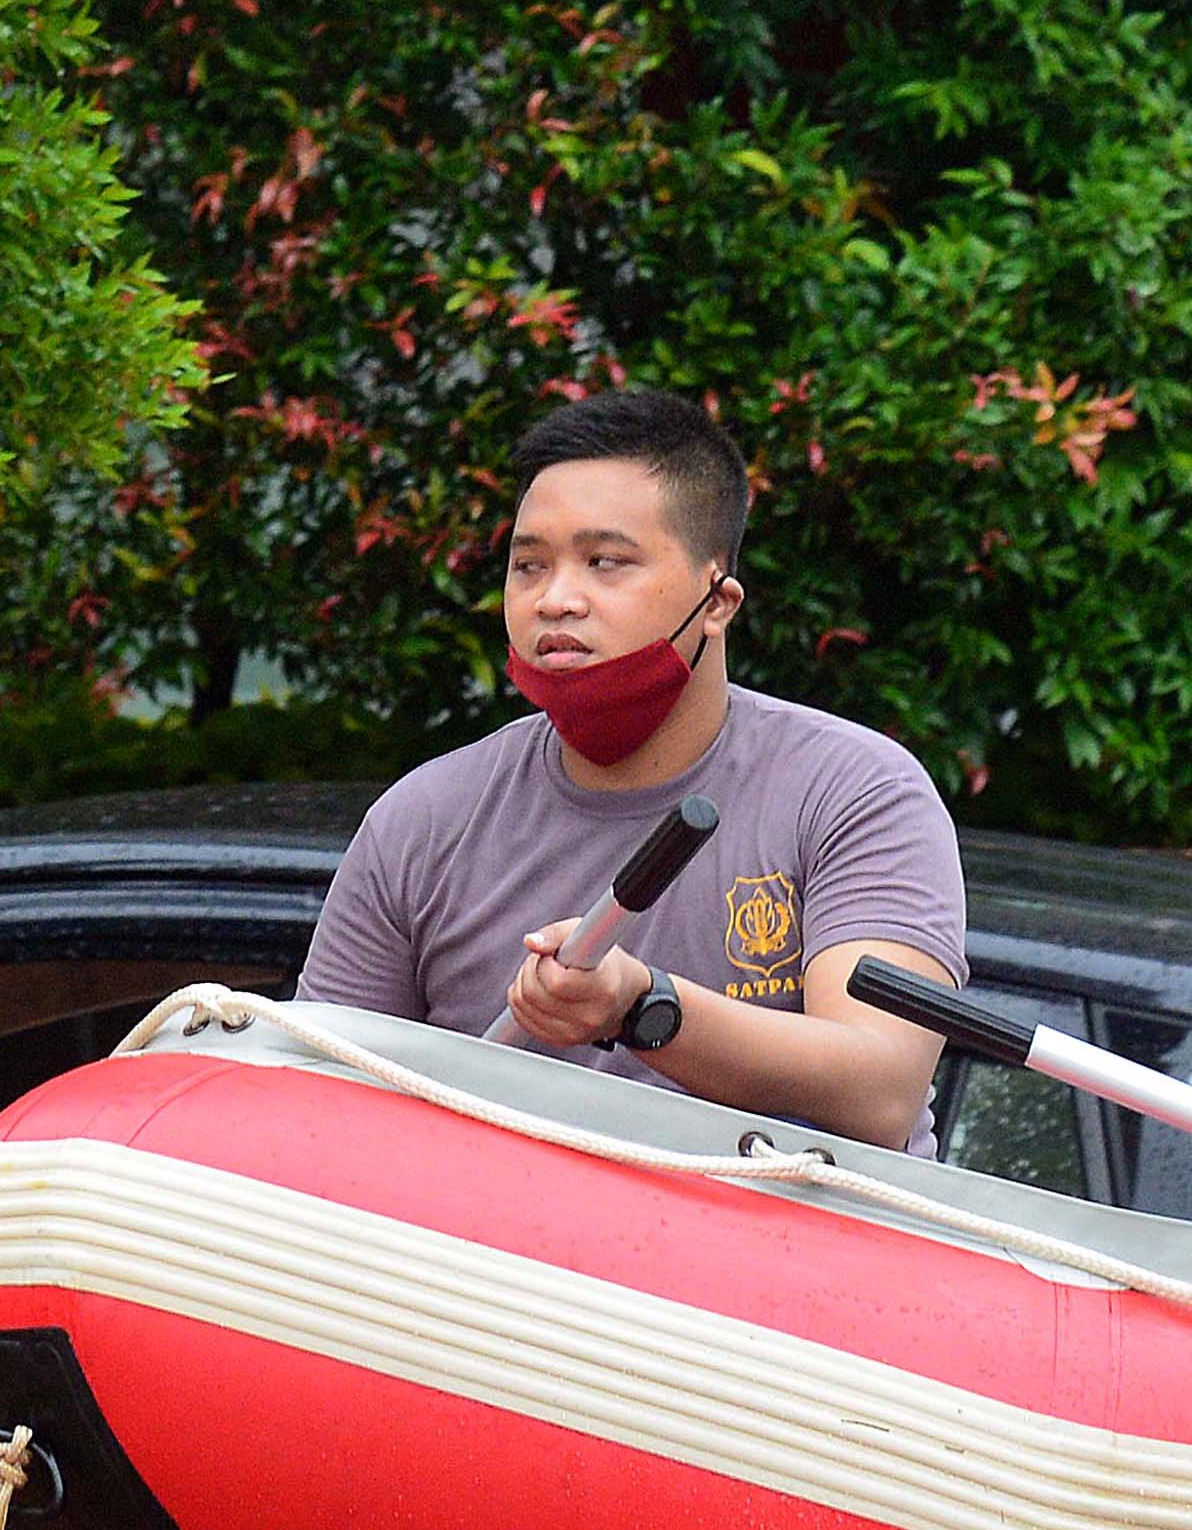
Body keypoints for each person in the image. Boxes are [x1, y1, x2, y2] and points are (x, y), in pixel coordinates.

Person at [298, 387, 965, 1150]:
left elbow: (880, 1087)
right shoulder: (423, 820)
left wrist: (643, 1006)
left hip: (785, 1254)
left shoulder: (854, 793)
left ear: (719, 600)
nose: (556, 599)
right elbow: (316, 1101)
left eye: (604, 562)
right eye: (528, 566)